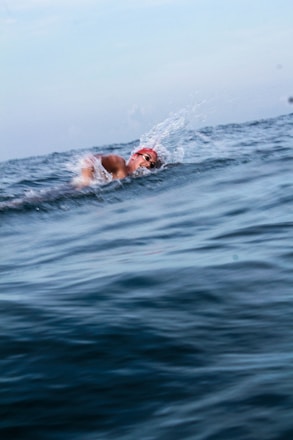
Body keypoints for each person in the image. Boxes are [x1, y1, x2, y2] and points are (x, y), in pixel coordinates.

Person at [77, 147, 160, 187]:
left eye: (152, 164)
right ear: (134, 156)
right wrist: (87, 183)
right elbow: (89, 160)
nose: (148, 164)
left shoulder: (131, 177)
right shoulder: (119, 163)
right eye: (147, 158)